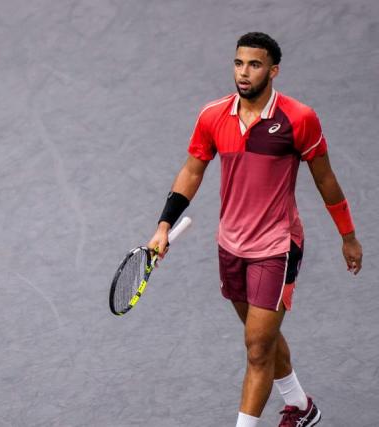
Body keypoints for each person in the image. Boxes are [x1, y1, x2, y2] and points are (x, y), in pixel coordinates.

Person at [147, 32, 363, 427]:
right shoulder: (213, 116)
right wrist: (163, 227)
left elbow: (326, 180)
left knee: (257, 350)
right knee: (260, 337)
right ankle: (302, 408)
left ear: (274, 70)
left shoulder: (299, 119)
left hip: (276, 246)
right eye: (238, 63)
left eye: (255, 64)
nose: (244, 73)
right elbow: (192, 171)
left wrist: (347, 236)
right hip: (230, 245)